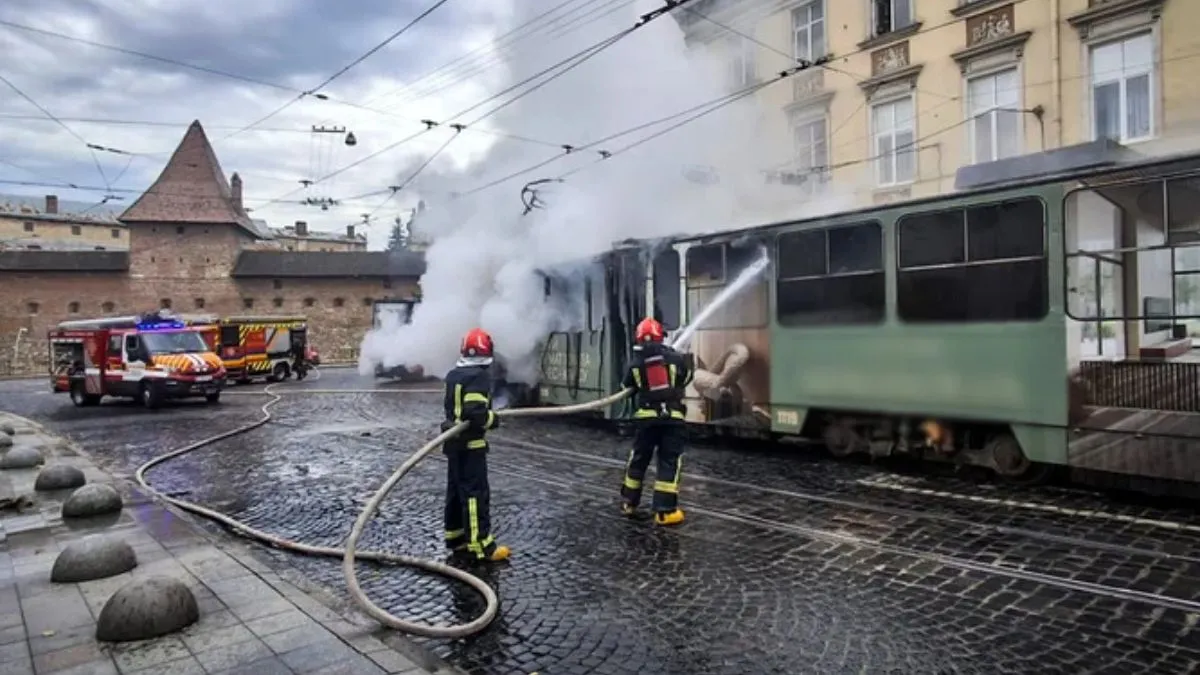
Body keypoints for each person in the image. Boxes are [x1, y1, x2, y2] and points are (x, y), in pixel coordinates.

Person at [441, 327, 510, 562]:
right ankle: (481, 546)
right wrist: (494, 419)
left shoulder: (453, 375)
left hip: (453, 445)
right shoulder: (479, 377)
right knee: (475, 495)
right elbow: (475, 413)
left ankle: (456, 538)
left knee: (455, 491)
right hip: (471, 446)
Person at [619, 317, 694, 526]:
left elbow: (625, 386)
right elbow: (686, 378)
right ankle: (665, 512)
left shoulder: (635, 362)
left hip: (646, 422)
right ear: (662, 336)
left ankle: (629, 503)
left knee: (639, 460)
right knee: (669, 462)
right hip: (672, 420)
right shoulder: (675, 358)